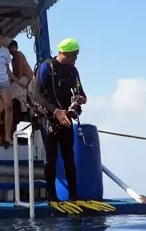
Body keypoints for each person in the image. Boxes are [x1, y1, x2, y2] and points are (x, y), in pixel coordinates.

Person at [32, 38, 113, 215]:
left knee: (69, 157)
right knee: (51, 158)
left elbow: (81, 92)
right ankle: (52, 196)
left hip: (66, 119)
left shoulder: (72, 70)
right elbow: (36, 95)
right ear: (64, 53)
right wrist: (56, 112)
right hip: (49, 118)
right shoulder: (47, 67)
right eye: (74, 55)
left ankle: (74, 195)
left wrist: (80, 99)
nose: (76, 58)